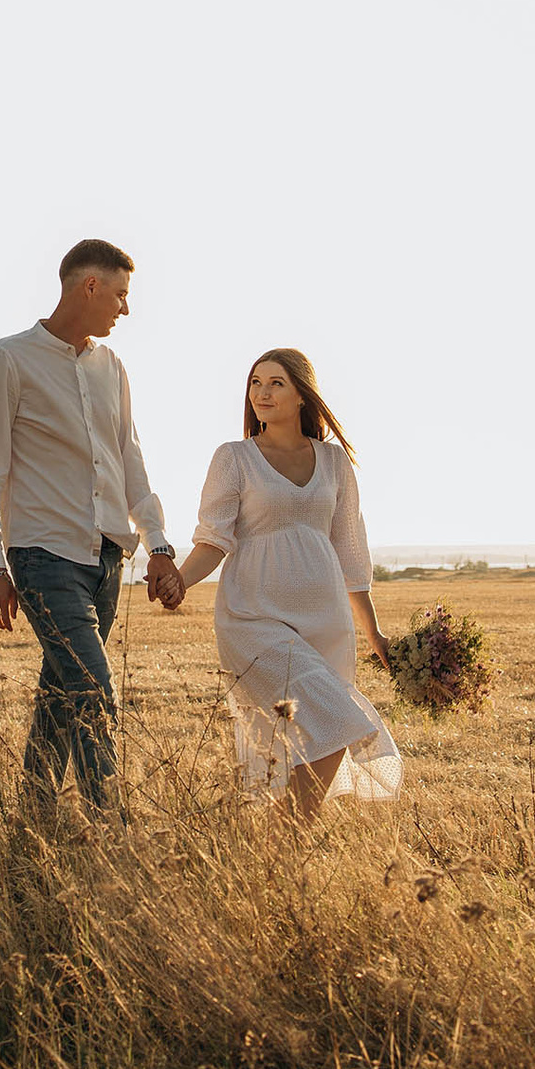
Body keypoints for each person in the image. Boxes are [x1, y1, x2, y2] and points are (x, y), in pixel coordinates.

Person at [0, 239, 184, 813]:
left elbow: (129, 459)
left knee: (61, 695)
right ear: (90, 286)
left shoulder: (114, 369)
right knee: (93, 690)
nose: (125, 309)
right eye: (120, 295)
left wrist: (158, 544)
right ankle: (113, 831)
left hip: (107, 558)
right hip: (43, 556)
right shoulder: (7, 360)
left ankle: (32, 821)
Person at [170, 349, 402, 817]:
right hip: (253, 615)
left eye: (275, 383)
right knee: (339, 718)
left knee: (325, 728)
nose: (261, 392)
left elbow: (351, 553)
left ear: (302, 394)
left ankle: (284, 842)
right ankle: (287, 837)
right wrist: (180, 581)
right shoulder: (234, 457)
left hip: (325, 618)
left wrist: (373, 632)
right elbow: (214, 539)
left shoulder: (334, 463)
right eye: (255, 382)